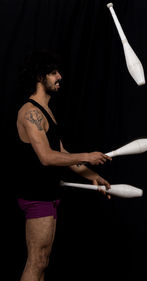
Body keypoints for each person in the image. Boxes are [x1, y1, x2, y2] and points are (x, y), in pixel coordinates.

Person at [16, 50, 112, 281]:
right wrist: (88, 155)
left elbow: (62, 153)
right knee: (36, 261)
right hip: (37, 196)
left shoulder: (46, 111)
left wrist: (92, 175)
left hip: (48, 196)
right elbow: (47, 157)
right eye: (53, 73)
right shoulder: (30, 112)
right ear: (40, 77)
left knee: (43, 261)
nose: (59, 77)